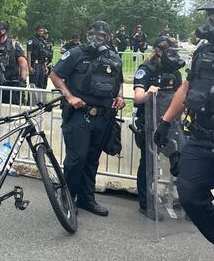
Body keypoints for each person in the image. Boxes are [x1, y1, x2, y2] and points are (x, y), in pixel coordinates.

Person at [155, 0, 214, 259]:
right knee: (189, 192)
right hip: (202, 138)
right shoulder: (204, 51)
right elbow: (187, 88)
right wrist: (165, 122)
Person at [50, 21, 125, 217]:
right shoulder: (75, 53)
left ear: (107, 37)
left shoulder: (114, 57)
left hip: (103, 117)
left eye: (101, 36)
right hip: (79, 115)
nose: (96, 39)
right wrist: (69, 96)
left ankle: (86, 199)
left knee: (92, 159)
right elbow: (55, 74)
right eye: (92, 34)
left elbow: (120, 81)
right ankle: (68, 198)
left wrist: (120, 97)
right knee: (77, 159)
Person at [132, 36, 184, 220]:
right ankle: (146, 205)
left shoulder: (176, 73)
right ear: (159, 51)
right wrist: (148, 92)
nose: (174, 56)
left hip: (171, 124)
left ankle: (185, 203)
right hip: (150, 124)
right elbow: (138, 98)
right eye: (171, 52)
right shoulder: (146, 70)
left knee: (182, 161)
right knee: (149, 166)